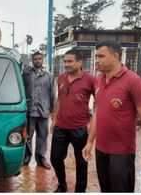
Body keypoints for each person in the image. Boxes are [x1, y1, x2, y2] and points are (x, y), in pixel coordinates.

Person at [82, 40, 141, 192]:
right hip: (101, 150)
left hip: (122, 153)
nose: (97, 60)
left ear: (115, 56)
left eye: (101, 56)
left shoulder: (133, 81)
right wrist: (90, 141)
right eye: (96, 56)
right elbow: (98, 113)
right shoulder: (100, 80)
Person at [50, 48, 95, 192]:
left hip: (80, 129)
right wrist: (54, 120)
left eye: (70, 61)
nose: (66, 64)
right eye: (65, 61)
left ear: (79, 62)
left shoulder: (90, 79)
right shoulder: (62, 78)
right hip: (61, 127)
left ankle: (80, 191)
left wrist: (92, 123)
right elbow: (60, 99)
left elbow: (99, 101)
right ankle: (62, 185)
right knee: (55, 158)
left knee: (81, 163)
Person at [22, 51, 55, 170]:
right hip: (30, 110)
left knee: (43, 135)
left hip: (43, 110)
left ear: (43, 60)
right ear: (32, 60)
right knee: (28, 136)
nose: (37, 60)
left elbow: (52, 93)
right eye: (35, 59)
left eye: (39, 59)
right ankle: (26, 158)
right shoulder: (26, 74)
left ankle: (41, 159)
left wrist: (52, 108)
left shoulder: (48, 75)